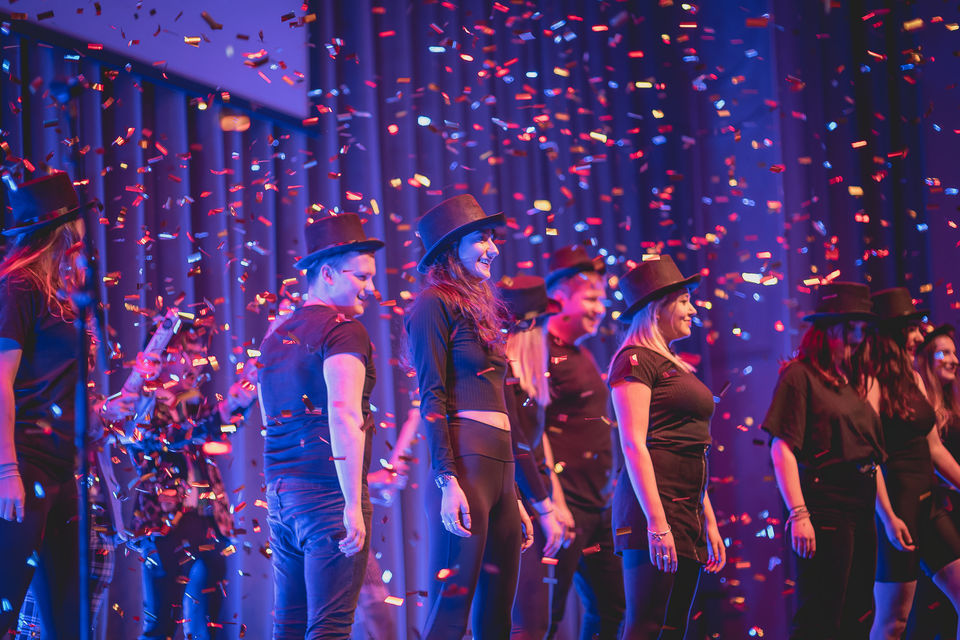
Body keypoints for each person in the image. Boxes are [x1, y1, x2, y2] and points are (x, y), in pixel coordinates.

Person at [404, 194, 534, 639]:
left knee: (497, 617)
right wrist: (447, 479)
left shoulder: (484, 311)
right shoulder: (431, 305)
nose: (494, 249)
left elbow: (504, 406)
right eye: (482, 238)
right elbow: (432, 397)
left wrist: (514, 493)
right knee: (451, 612)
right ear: (451, 246)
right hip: (465, 465)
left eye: (493, 238)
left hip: (500, 470)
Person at [258, 213, 384, 639]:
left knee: (289, 627)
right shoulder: (343, 331)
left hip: (281, 496)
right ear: (327, 273)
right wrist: (351, 503)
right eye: (362, 277)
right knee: (329, 627)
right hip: (327, 493)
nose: (372, 288)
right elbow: (344, 413)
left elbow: (268, 419)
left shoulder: (276, 335)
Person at [99, 311, 256, 640]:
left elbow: (218, 432)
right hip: (163, 521)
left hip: (207, 516)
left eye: (199, 353)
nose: (194, 361)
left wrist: (243, 402)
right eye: (187, 352)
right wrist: (226, 410)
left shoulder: (196, 400)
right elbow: (172, 436)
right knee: (161, 624)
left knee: (211, 622)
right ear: (165, 354)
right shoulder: (140, 402)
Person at [606, 255, 725, 639]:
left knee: (673, 629)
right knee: (646, 626)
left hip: (685, 507)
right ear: (658, 308)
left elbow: (692, 448)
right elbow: (633, 443)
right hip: (652, 510)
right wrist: (657, 524)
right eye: (684, 300)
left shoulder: (671, 363)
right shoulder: (634, 360)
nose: (693, 309)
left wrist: (708, 519)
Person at [512, 245, 625, 640]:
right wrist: (553, 502)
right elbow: (531, 432)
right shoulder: (537, 355)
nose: (601, 309)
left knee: (614, 609)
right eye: (592, 299)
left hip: (598, 506)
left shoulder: (580, 355)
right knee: (546, 616)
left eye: (603, 299)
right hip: (562, 508)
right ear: (559, 300)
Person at [0, 171, 95, 638]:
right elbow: (0, 381)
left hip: (62, 470)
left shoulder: (66, 297)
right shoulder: (18, 287)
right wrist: (6, 470)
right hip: (23, 465)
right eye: (77, 227)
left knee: (68, 618)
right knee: (6, 606)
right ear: (61, 232)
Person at [762, 281, 885, 639]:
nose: (858, 339)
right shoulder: (800, 376)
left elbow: (868, 453)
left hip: (860, 505)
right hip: (826, 504)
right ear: (829, 329)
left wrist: (886, 515)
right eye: (851, 329)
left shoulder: (849, 380)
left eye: (862, 330)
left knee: (858, 611)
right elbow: (781, 446)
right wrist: (799, 513)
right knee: (822, 614)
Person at [868, 289, 960, 640]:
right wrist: (888, 517)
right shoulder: (872, 384)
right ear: (893, 334)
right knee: (895, 621)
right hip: (899, 508)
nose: (920, 337)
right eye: (913, 330)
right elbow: (870, 456)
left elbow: (935, 449)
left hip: (930, 504)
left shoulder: (915, 379)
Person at [497, 275, 567, 640]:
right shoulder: (506, 378)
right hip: (515, 504)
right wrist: (545, 508)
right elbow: (518, 447)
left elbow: (536, 448)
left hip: (529, 503)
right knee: (526, 621)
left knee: (531, 621)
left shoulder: (528, 380)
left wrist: (555, 504)